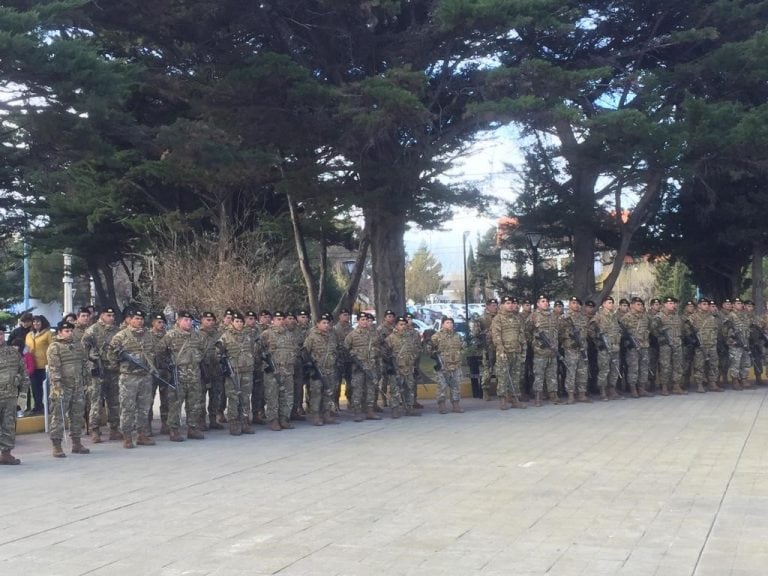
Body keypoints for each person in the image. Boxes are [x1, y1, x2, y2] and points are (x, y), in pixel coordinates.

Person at [109, 310, 157, 448]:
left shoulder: (149, 335)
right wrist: (120, 368)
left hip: (145, 376)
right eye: (136, 318)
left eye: (141, 318)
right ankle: (127, 436)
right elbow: (111, 355)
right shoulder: (121, 336)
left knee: (144, 407)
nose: (139, 321)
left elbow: (153, 352)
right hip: (129, 378)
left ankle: (142, 435)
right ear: (130, 320)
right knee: (127, 408)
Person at [159, 311, 205, 441]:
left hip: (194, 374)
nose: (188, 322)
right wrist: (167, 365)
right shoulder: (171, 335)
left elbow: (201, 350)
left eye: (190, 320)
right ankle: (174, 429)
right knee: (175, 403)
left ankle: (193, 428)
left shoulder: (196, 336)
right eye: (185, 320)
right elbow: (159, 350)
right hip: (178, 374)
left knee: (194, 403)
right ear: (178, 321)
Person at [47, 321, 90, 457]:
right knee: (58, 416)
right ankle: (57, 444)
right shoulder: (55, 347)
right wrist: (57, 385)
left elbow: (84, 364)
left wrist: (86, 382)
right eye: (66, 331)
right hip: (62, 387)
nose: (69, 333)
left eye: (71, 331)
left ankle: (77, 443)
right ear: (59, 332)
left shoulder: (78, 346)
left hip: (77, 385)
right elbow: (54, 368)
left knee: (77, 415)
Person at [82, 307, 121, 443]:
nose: (111, 318)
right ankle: (95, 430)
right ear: (102, 315)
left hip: (113, 370)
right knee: (96, 402)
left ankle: (114, 429)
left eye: (112, 315)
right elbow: (83, 353)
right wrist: (91, 362)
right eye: (108, 315)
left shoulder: (117, 331)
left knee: (114, 401)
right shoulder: (92, 331)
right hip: (97, 372)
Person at [217, 311, 256, 435]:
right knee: (233, 398)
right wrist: (225, 366)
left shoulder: (248, 336)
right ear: (232, 322)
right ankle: (234, 423)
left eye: (240, 322)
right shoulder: (225, 336)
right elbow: (217, 353)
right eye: (236, 321)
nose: (239, 324)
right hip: (233, 372)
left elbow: (252, 350)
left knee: (245, 397)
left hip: (247, 371)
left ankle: (244, 422)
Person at [260, 311, 297, 430]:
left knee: (286, 395)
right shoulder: (266, 334)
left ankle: (284, 418)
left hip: (287, 370)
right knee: (272, 395)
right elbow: (258, 352)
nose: (280, 321)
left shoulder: (290, 335)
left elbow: (295, 351)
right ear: (273, 320)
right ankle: (273, 420)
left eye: (282, 319)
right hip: (273, 371)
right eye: (277, 319)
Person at [302, 313, 340, 425]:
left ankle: (327, 414)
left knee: (328, 393)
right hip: (317, 370)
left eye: (328, 323)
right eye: (323, 323)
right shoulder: (312, 337)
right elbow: (304, 352)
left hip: (330, 369)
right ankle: (316, 415)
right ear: (317, 324)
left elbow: (336, 351)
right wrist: (310, 366)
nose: (326, 325)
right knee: (316, 393)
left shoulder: (332, 337)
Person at [0, 324, 30, 464]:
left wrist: (23, 395)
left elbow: (24, 374)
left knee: (9, 425)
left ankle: (6, 453)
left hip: (10, 396)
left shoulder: (13, 353)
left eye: (1, 333)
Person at [344, 313, 381, 421]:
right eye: (362, 319)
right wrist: (353, 359)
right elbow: (345, 349)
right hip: (358, 367)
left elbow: (379, 347)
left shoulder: (373, 334)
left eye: (366, 319)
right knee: (358, 389)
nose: (365, 321)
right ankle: (357, 412)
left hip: (371, 366)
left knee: (371, 389)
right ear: (358, 321)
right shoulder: (352, 335)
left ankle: (370, 410)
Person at [491, 296, 527, 409]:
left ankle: (515, 399)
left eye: (511, 303)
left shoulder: (517, 319)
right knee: (503, 377)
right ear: (502, 305)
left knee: (516, 376)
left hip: (516, 351)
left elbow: (521, 335)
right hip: (504, 353)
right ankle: (503, 400)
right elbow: (496, 336)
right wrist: (501, 351)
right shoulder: (498, 319)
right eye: (507, 303)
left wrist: (522, 350)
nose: (510, 305)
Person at [526, 295, 560, 406]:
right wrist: (535, 342)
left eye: (547, 301)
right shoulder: (534, 316)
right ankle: (538, 396)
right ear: (538, 304)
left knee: (552, 374)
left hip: (552, 350)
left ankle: (553, 394)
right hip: (540, 351)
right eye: (543, 301)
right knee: (539, 374)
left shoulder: (554, 316)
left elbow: (558, 331)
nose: (545, 303)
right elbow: (527, 331)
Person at [589, 296, 623, 401]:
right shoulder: (598, 316)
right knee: (604, 369)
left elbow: (619, 330)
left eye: (612, 303)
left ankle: (612, 389)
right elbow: (591, 330)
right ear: (603, 304)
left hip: (615, 347)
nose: (611, 305)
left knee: (614, 369)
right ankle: (602, 391)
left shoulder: (614, 317)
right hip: (604, 348)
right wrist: (598, 341)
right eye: (609, 303)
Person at [429, 317, 465, 414]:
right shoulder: (436, 337)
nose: (450, 324)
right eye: (447, 323)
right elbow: (429, 349)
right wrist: (435, 357)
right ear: (443, 324)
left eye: (451, 323)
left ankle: (456, 405)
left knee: (456, 385)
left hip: (455, 365)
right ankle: (442, 405)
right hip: (442, 365)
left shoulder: (457, 336)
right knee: (442, 386)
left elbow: (462, 347)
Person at [559, 297, 591, 403]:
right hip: (570, 349)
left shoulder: (583, 318)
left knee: (582, 371)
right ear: (569, 304)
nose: (576, 305)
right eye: (573, 303)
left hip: (582, 348)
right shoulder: (564, 318)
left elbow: (587, 333)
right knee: (571, 372)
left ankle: (582, 394)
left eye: (578, 303)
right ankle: (571, 395)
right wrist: (568, 337)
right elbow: (559, 333)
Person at [619, 297, 652, 398]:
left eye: (641, 305)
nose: (640, 306)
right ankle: (633, 389)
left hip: (644, 345)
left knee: (644, 367)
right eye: (638, 304)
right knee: (633, 367)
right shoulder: (626, 317)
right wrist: (628, 342)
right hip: (633, 347)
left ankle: (642, 388)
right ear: (632, 305)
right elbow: (621, 332)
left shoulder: (645, 317)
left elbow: (649, 328)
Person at [198, 312, 224, 430]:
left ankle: (213, 420)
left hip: (216, 370)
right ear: (202, 321)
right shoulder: (196, 335)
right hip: (203, 370)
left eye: (212, 320)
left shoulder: (219, 335)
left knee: (215, 396)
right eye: (207, 320)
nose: (210, 322)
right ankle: (201, 421)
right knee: (200, 398)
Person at [24, 315, 52, 414]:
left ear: (42, 322)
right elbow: (26, 350)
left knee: (47, 389)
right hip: (32, 367)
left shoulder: (48, 333)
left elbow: (53, 348)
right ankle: (38, 406)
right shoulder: (29, 335)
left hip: (45, 366)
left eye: (38, 322)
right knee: (35, 388)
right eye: (34, 322)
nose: (36, 324)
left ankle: (49, 408)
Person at [148, 313, 170, 435]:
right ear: (153, 323)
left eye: (163, 322)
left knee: (166, 399)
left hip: (164, 371)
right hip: (151, 371)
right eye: (158, 322)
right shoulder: (147, 336)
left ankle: (165, 423)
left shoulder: (168, 336)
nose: (161, 325)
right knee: (149, 399)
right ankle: (147, 425)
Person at [478, 298, 499, 401]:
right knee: (488, 370)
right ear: (487, 306)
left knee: (501, 369)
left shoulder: (500, 317)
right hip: (488, 348)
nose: (494, 307)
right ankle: (485, 391)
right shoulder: (482, 318)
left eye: (495, 305)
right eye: (492, 305)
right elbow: (476, 333)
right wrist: (487, 332)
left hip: (499, 347)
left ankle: (502, 391)